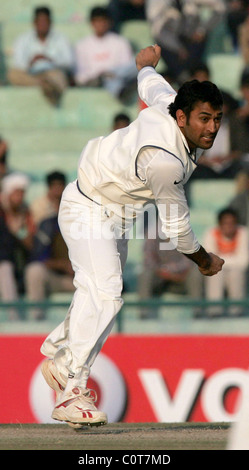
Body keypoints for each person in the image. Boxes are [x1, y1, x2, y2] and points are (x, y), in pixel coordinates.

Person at [40, 45, 224, 428]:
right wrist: (205, 261)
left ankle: (61, 362)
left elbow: (149, 83)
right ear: (182, 117)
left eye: (217, 119)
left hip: (116, 215)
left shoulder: (172, 102)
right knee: (106, 291)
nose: (211, 128)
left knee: (98, 292)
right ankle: (70, 392)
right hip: (88, 206)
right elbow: (176, 228)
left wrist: (145, 64)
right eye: (204, 119)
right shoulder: (164, 162)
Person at [7, 6, 74, 106]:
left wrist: (49, 59)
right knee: (13, 74)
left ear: (50, 22)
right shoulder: (23, 39)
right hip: (31, 74)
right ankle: (43, 84)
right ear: (34, 22)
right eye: (40, 21)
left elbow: (69, 62)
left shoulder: (61, 39)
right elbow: (18, 63)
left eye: (45, 21)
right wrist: (31, 61)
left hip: (52, 73)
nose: (43, 25)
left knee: (60, 78)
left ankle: (46, 84)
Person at [145, 0, 226, 83]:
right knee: (164, 50)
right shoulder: (156, 2)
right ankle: (182, 81)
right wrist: (178, 48)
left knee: (198, 46)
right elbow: (158, 31)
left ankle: (189, 81)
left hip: (192, 40)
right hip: (169, 44)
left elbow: (220, 7)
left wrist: (202, 30)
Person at [74, 6, 137, 102]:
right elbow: (80, 76)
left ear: (109, 22)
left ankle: (115, 83)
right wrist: (99, 75)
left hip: (118, 77)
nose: (100, 24)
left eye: (103, 21)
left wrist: (111, 72)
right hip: (96, 80)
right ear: (92, 23)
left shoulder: (120, 42)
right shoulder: (82, 45)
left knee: (137, 64)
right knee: (108, 80)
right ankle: (120, 91)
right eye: (97, 21)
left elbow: (127, 67)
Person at [0, 172, 35, 320]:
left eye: (22, 193)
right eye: (16, 193)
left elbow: (29, 244)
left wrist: (18, 231)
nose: (19, 197)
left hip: (16, 263)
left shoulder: (24, 213)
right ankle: (14, 318)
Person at [203, 208, 249, 317]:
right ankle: (214, 312)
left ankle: (236, 312)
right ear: (219, 224)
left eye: (232, 223)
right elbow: (209, 261)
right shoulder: (211, 233)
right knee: (215, 274)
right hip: (218, 270)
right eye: (225, 223)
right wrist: (231, 259)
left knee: (236, 273)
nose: (229, 227)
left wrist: (221, 261)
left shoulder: (243, 233)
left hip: (236, 270)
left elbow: (244, 262)